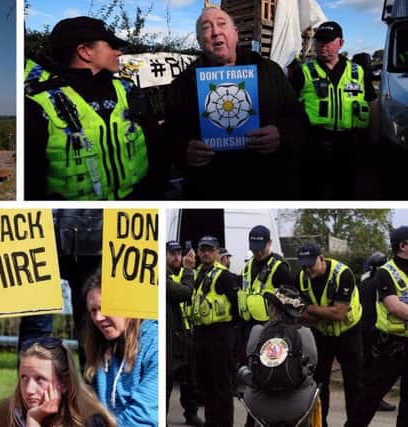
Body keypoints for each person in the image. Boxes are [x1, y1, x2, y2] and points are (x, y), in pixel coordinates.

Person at [164, 6, 309, 200]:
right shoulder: (182, 85)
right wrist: (183, 150)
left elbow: (300, 119)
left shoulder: (269, 71)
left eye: (222, 24)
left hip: (269, 186)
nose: (216, 32)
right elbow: (168, 135)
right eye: (206, 28)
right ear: (200, 41)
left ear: (236, 34)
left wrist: (281, 133)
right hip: (211, 191)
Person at [24, 16, 163, 200]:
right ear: (85, 52)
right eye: (112, 46)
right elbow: (31, 182)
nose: (119, 52)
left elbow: (158, 149)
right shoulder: (38, 103)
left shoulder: (129, 91)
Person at [289, 21, 378, 200]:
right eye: (319, 40)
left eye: (328, 41)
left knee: (346, 190)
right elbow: (288, 107)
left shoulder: (357, 72)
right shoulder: (303, 71)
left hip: (350, 143)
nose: (322, 45)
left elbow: (373, 104)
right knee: (311, 192)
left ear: (341, 43)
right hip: (314, 142)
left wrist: (374, 140)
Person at [18, 209, 102, 371]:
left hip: (89, 233)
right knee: (36, 327)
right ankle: (31, 385)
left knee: (92, 323)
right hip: (42, 229)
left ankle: (95, 391)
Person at [295, 243, 362, 427]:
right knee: (318, 383)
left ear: (321, 259)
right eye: (303, 265)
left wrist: (309, 309)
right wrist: (312, 313)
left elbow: (338, 313)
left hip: (349, 334)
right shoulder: (301, 278)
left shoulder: (343, 274)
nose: (307, 269)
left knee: (354, 384)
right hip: (322, 334)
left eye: (311, 264)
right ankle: (319, 423)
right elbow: (301, 317)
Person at [82, 269, 158, 426]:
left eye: (104, 307)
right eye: (93, 311)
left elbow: (145, 416)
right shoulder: (102, 348)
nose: (98, 318)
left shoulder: (154, 343)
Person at [238, 225, 294, 427]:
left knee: (269, 380)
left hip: (273, 332)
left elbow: (290, 305)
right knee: (252, 381)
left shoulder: (280, 268)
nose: (257, 251)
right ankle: (251, 421)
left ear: (269, 243)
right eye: (254, 247)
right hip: (251, 330)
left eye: (261, 246)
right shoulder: (248, 265)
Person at [240, 286, 318, 427]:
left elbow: (250, 360)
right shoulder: (305, 333)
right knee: (312, 383)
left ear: (274, 309)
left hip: (260, 406)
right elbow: (313, 363)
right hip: (297, 407)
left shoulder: (257, 331)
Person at [0, 337, 116, 427]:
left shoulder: (89, 421)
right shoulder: (8, 413)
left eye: (40, 379)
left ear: (64, 383)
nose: (29, 390)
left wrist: (33, 420)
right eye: (24, 378)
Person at [357, 226, 408, 426]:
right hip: (390, 348)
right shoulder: (386, 273)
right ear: (403, 246)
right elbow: (395, 307)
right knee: (369, 399)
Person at [189, 235, 240, 427]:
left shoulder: (224, 276)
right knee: (205, 384)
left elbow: (237, 306)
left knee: (222, 387)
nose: (206, 253)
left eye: (210, 249)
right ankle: (211, 423)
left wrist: (232, 334)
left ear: (218, 252)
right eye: (202, 249)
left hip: (220, 334)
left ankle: (225, 424)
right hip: (201, 334)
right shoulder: (197, 273)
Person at [165, 241, 203, 427]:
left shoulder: (174, 274)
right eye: (172, 253)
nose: (177, 257)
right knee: (167, 380)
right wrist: (189, 271)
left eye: (179, 253)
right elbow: (185, 293)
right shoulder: (162, 277)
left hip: (184, 334)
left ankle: (191, 413)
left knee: (189, 379)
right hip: (171, 338)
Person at [359, 251, 396, 412]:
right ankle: (374, 401)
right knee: (377, 369)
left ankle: (365, 399)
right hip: (376, 329)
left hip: (363, 328)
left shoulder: (364, 283)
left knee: (367, 365)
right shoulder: (379, 282)